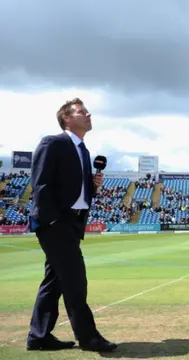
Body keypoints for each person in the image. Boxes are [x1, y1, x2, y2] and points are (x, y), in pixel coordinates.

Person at [26, 98, 117, 352]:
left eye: (87, 111)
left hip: (73, 223)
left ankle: (39, 336)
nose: (88, 114)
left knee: (54, 281)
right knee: (76, 280)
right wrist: (52, 220)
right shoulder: (53, 142)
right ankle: (89, 338)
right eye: (81, 111)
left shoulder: (83, 150)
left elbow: (74, 190)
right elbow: (41, 183)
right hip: (56, 224)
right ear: (66, 118)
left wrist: (93, 186)